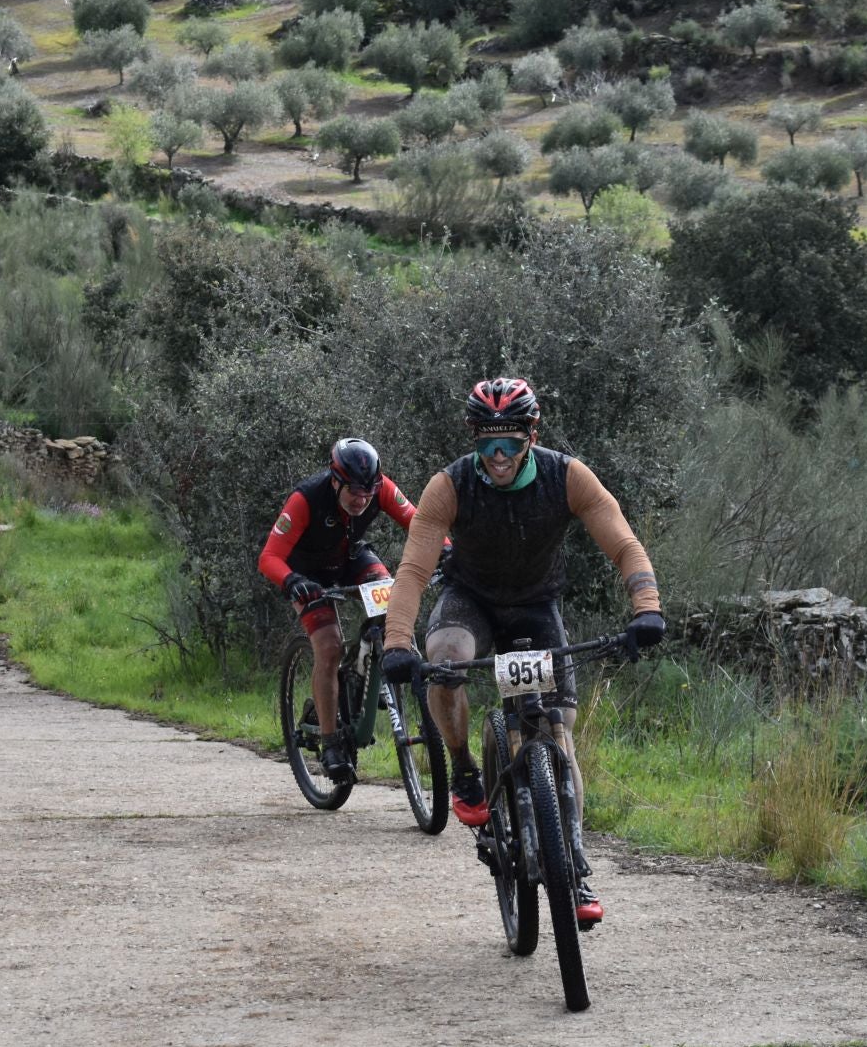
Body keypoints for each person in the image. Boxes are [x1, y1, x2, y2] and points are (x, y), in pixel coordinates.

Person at [381, 378, 665, 926]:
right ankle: (465, 767)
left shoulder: (567, 476)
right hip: (471, 600)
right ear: (474, 439)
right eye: (487, 443)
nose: (498, 455)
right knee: (445, 658)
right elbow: (413, 570)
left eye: (509, 441)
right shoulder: (451, 485)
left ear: (531, 437)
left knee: (556, 733)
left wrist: (646, 607)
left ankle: (574, 867)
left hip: (536, 605)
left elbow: (624, 544)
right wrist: (397, 641)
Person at [258, 438, 420, 782]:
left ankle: (370, 669)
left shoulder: (380, 488)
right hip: (308, 574)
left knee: (393, 604)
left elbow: (420, 525)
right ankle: (331, 742)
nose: (362, 499)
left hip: (351, 558)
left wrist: (447, 550)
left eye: (368, 492)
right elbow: (269, 557)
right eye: (354, 492)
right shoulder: (306, 499)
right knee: (329, 646)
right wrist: (291, 581)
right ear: (335, 481)